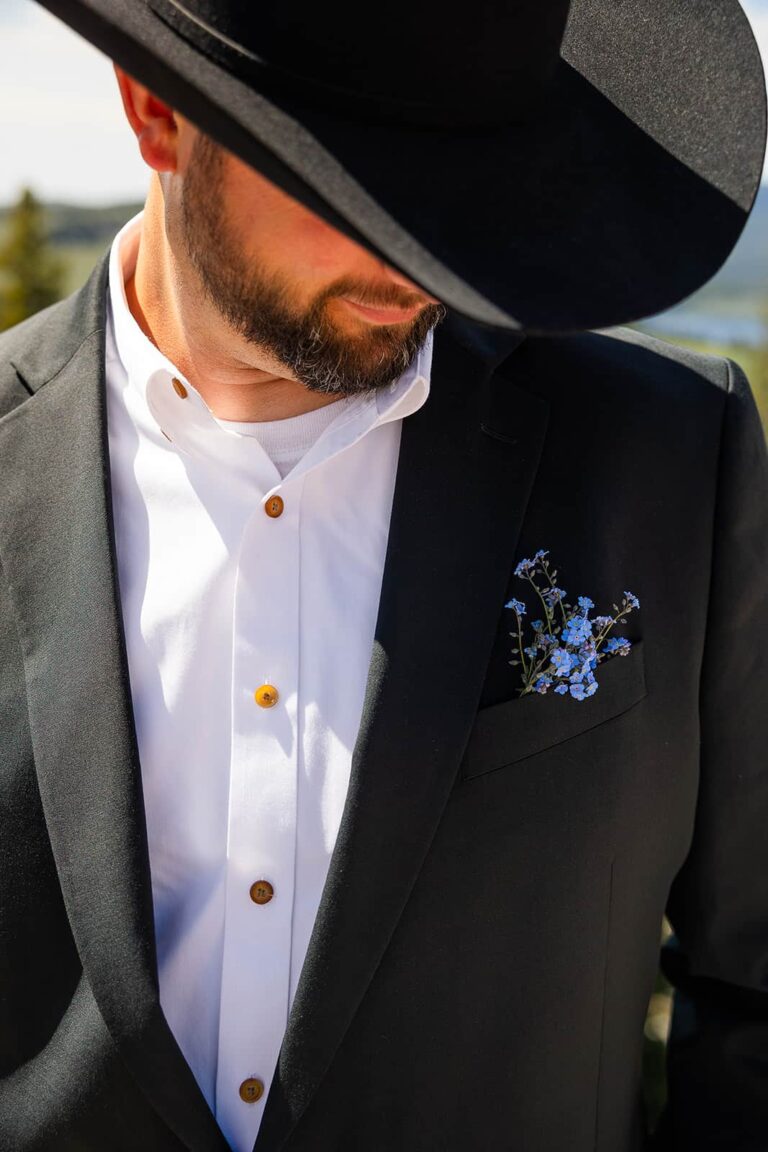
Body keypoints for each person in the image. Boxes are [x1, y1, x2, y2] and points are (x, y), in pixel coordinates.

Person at [1, 2, 767, 1150]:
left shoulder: (672, 458)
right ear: (157, 110)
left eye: (467, 171)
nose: (428, 241)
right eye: (357, 177)